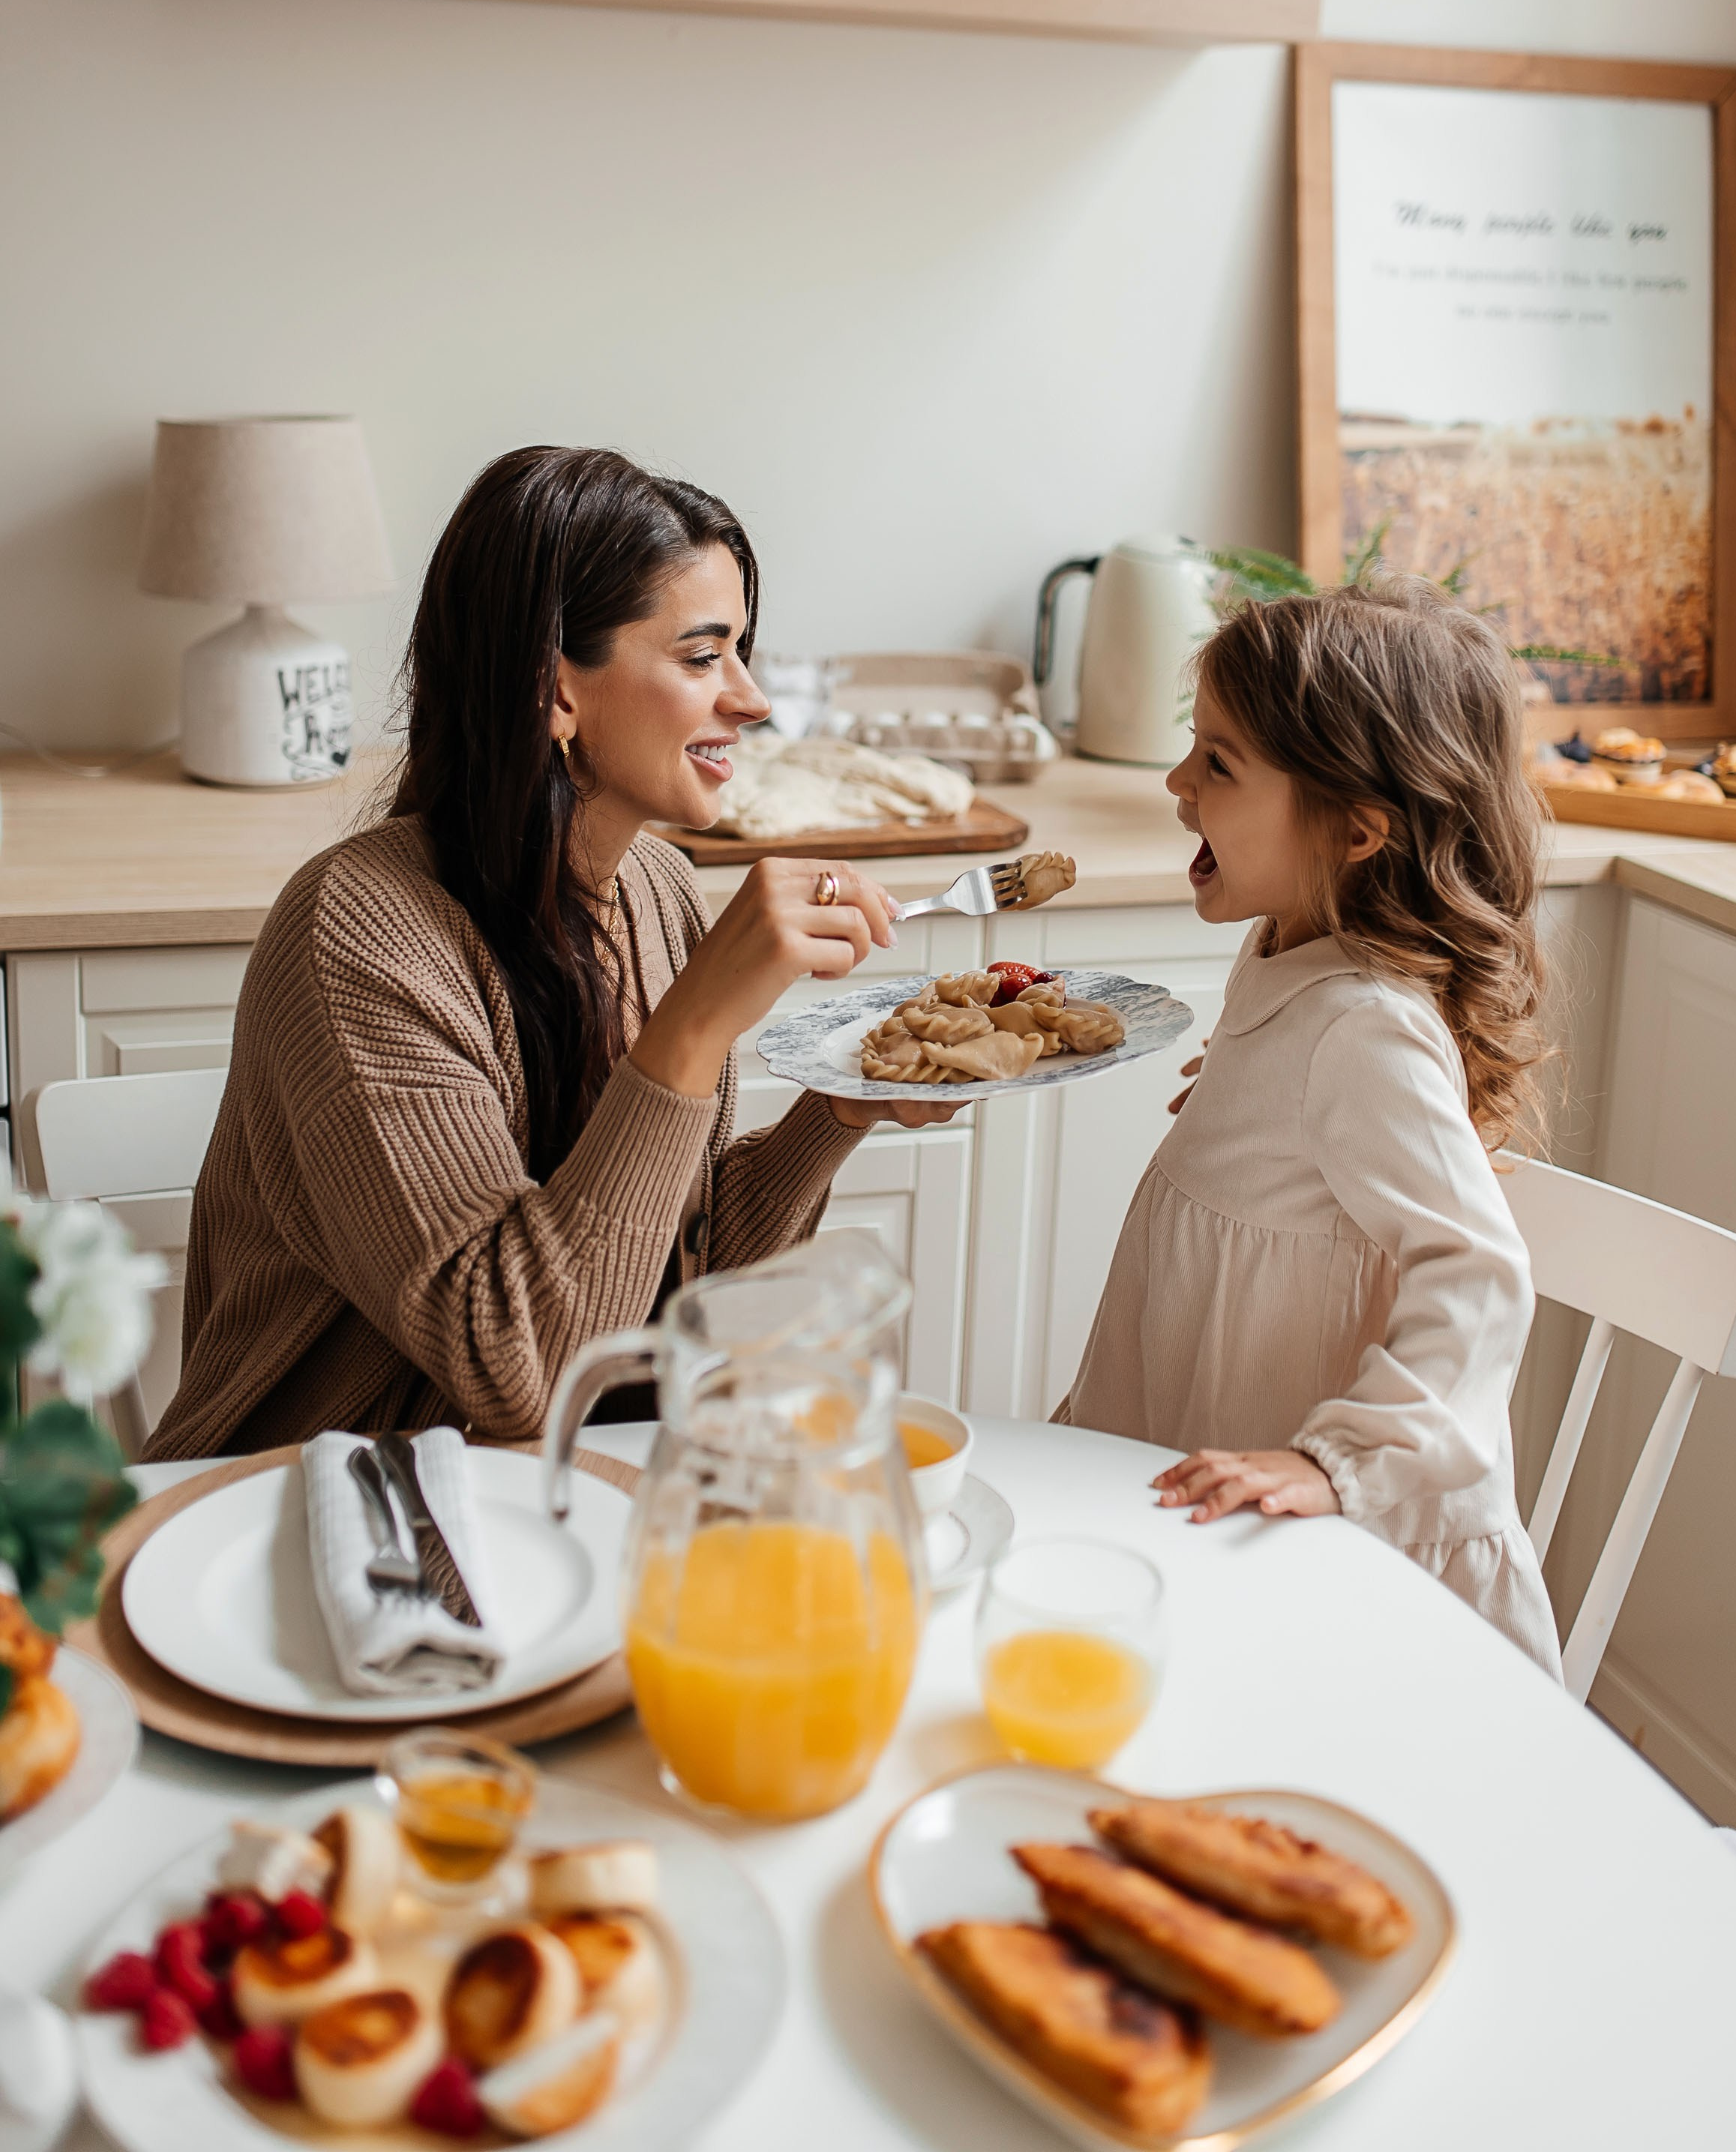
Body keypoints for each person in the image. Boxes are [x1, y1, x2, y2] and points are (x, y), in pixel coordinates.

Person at [148, 446, 956, 1458]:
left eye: (742, 652)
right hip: (314, 1507)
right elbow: (522, 1370)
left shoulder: (656, 892)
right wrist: (696, 1022)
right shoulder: (356, 935)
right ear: (556, 691)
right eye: (703, 658)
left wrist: (837, 1111)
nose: (750, 700)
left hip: (549, 1496)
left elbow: (663, 1286)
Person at [1060, 577, 1564, 1677]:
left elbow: (1480, 1277)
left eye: (1219, 764)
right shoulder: (1290, 957)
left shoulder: (1362, 1032)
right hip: (1238, 1520)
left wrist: (1338, 1465)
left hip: (1354, 1566)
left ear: (1357, 831)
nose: (1177, 783)